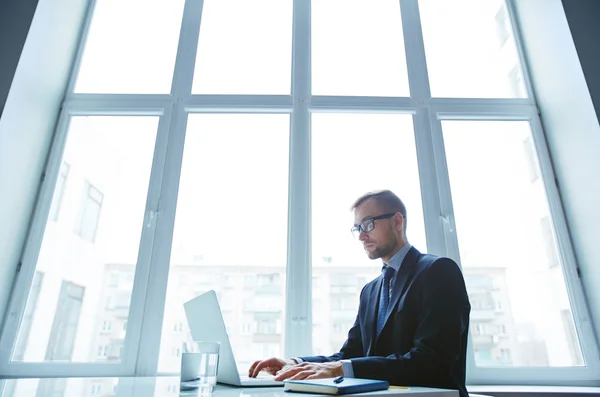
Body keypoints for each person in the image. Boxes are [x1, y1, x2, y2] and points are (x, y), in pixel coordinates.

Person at [249, 190, 471, 397]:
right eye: (358, 229)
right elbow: (350, 355)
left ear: (397, 221)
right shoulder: (370, 291)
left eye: (368, 224)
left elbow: (433, 359)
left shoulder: (438, 270)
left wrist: (339, 369)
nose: (362, 237)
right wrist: (295, 363)